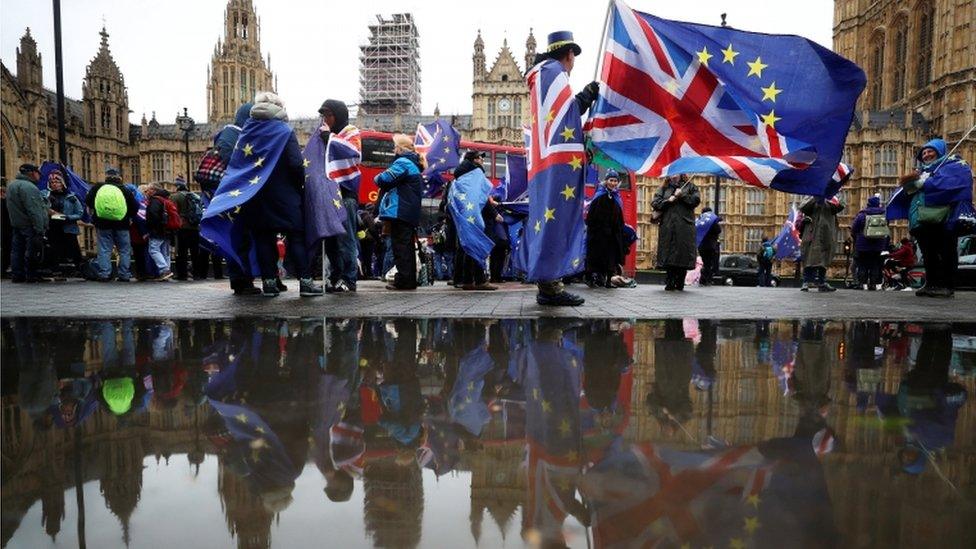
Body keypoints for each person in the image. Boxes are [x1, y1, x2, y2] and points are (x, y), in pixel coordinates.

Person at [238, 93, 322, 297]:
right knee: (296, 237)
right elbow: (295, 164)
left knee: (263, 238)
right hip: (285, 195)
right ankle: (305, 282)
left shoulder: (247, 132)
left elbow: (238, 165)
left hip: (256, 195)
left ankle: (268, 283)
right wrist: (298, 186)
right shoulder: (283, 131)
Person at [895, 138, 974, 298]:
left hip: (942, 217)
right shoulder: (922, 171)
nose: (926, 155)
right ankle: (931, 283)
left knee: (945, 250)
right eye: (924, 152)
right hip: (921, 218)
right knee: (928, 252)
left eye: (930, 151)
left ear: (940, 151)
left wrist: (926, 182)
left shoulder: (953, 165)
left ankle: (946, 285)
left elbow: (955, 184)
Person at [215, 102, 260, 296]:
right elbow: (230, 159)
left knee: (246, 239)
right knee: (239, 239)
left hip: (242, 195)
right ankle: (240, 281)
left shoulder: (239, 133)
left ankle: (245, 279)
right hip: (234, 196)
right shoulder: (230, 134)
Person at [318, 99, 362, 293]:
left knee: (346, 240)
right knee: (332, 242)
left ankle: (349, 279)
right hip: (329, 195)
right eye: (323, 116)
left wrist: (329, 138)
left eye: (328, 115)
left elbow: (351, 152)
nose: (325, 119)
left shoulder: (351, 133)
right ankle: (334, 278)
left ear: (338, 115)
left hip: (345, 195)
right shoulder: (327, 135)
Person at [375, 134, 423, 291]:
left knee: (400, 248)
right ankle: (408, 280)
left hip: (400, 210)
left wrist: (377, 177)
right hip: (408, 212)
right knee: (406, 247)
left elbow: (382, 179)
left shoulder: (403, 162)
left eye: (395, 147)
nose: (393, 149)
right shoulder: (413, 164)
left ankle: (403, 281)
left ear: (400, 148)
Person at [447, 150, 498, 291]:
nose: (482, 160)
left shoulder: (459, 176)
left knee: (466, 246)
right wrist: (493, 213)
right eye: (480, 157)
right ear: (475, 160)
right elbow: (480, 196)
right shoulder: (476, 174)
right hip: (473, 214)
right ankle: (480, 280)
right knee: (475, 244)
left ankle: (467, 280)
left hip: (462, 215)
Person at [85, 168, 138, 282]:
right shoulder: (125, 189)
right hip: (122, 224)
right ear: (119, 178)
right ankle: (124, 274)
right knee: (124, 250)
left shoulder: (98, 187)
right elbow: (135, 207)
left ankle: (105, 273)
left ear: (106, 177)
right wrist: (128, 216)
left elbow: (88, 201)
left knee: (104, 249)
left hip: (102, 223)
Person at [651, 174, 701, 291]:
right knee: (668, 254)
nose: (673, 175)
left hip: (684, 226)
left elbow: (696, 201)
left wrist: (682, 195)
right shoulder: (663, 188)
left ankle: (680, 282)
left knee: (682, 254)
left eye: (676, 172)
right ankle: (669, 281)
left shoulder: (690, 186)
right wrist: (668, 201)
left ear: (681, 173)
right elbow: (655, 202)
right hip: (668, 226)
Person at [6, 163, 50, 282]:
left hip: (17, 223)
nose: (39, 176)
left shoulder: (11, 185)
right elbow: (34, 210)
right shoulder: (29, 187)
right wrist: (40, 228)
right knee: (32, 250)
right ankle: (31, 275)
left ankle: (17, 275)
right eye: (38, 173)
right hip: (30, 224)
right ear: (32, 173)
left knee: (16, 250)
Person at [798, 182, 846, 292]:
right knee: (809, 255)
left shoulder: (834, 194)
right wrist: (816, 197)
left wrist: (828, 197)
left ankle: (821, 282)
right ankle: (806, 281)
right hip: (812, 230)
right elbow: (803, 207)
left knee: (825, 255)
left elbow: (841, 205)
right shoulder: (812, 192)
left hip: (827, 230)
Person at [585, 169, 626, 288]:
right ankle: (591, 278)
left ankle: (608, 281)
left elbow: (619, 216)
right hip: (598, 233)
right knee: (595, 256)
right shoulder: (600, 195)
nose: (613, 183)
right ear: (606, 181)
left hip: (612, 234)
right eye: (611, 180)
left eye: (615, 181)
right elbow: (591, 216)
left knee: (611, 258)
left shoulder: (617, 197)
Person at [170, 177, 216, 280]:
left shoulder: (175, 197)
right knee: (195, 252)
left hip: (182, 227)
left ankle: (182, 275)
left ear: (177, 187)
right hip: (195, 228)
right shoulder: (195, 196)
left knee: (181, 252)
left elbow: (173, 212)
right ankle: (197, 274)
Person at [42, 170, 84, 278]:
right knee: (54, 248)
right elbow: (40, 208)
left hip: (68, 226)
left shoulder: (71, 197)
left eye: (57, 182)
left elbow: (79, 213)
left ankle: (80, 268)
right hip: (52, 226)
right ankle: (55, 270)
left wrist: (68, 217)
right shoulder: (45, 195)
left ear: (62, 183)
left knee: (74, 248)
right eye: (52, 182)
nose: (54, 184)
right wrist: (48, 210)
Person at [849, 194, 888, 290]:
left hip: (863, 245)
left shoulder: (862, 214)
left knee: (862, 264)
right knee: (875, 264)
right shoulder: (883, 214)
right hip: (878, 245)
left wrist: (856, 236)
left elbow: (854, 228)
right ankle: (873, 284)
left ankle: (862, 283)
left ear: (868, 204)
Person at [144, 183, 175, 281]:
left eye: (148, 190)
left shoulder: (155, 200)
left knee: (153, 250)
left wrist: (150, 229)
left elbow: (153, 215)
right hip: (167, 230)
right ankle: (166, 272)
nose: (146, 192)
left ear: (153, 190)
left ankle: (165, 270)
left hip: (158, 230)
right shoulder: (166, 199)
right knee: (164, 252)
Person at [697, 207, 721, 286]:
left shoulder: (699, 221)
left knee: (705, 262)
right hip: (710, 246)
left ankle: (703, 279)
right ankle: (706, 279)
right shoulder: (711, 223)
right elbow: (718, 230)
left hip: (701, 246)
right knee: (709, 263)